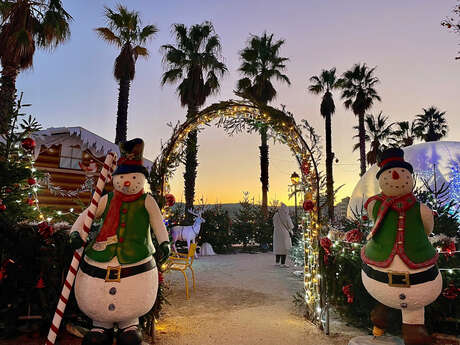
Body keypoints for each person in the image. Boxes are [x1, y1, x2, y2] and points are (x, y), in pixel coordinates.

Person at [272, 203, 294, 267]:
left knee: (278, 247)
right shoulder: (286, 216)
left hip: (276, 233)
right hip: (284, 234)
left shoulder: (276, 215)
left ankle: (277, 262)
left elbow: (274, 223)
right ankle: (283, 263)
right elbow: (290, 226)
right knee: (284, 248)